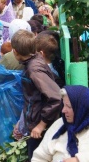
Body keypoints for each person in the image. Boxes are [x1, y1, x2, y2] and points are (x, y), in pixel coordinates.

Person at [32, 85, 89, 162]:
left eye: (68, 106)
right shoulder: (60, 124)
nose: (63, 110)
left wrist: (79, 159)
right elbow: (39, 157)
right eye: (63, 105)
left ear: (82, 108)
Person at [11, 29, 61, 159]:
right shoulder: (34, 61)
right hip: (33, 120)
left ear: (15, 52)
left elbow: (56, 97)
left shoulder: (34, 70)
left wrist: (41, 125)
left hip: (41, 125)